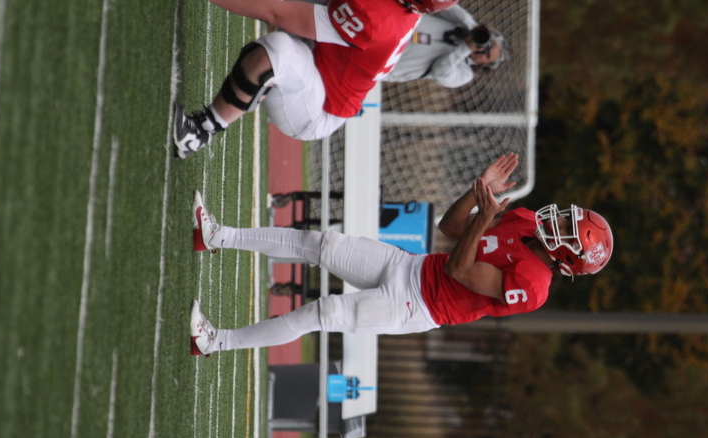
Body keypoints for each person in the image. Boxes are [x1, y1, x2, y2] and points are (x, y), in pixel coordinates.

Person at [188, 153, 614, 355]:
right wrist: (476, 190)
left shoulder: (535, 286)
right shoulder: (522, 220)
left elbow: (461, 269)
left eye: (568, 230)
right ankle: (216, 236)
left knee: (323, 313)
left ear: (568, 256)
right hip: (410, 267)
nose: (557, 221)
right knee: (319, 243)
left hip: (415, 305)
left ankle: (215, 342)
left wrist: (484, 218)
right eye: (567, 219)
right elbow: (449, 229)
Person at [172, 0, 460, 159]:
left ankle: (200, 131)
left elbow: (277, 12)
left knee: (276, 52)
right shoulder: (397, 10)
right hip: (320, 57)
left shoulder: (378, 19)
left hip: (318, 105)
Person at [382, 5, 509, 88]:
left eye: (487, 55)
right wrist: (473, 28)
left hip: (383, 62)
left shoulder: (465, 74)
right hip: (388, 28)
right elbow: (444, 6)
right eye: (488, 45)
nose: (482, 51)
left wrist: (466, 48)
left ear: (486, 64)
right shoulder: (462, 25)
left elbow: (440, 72)